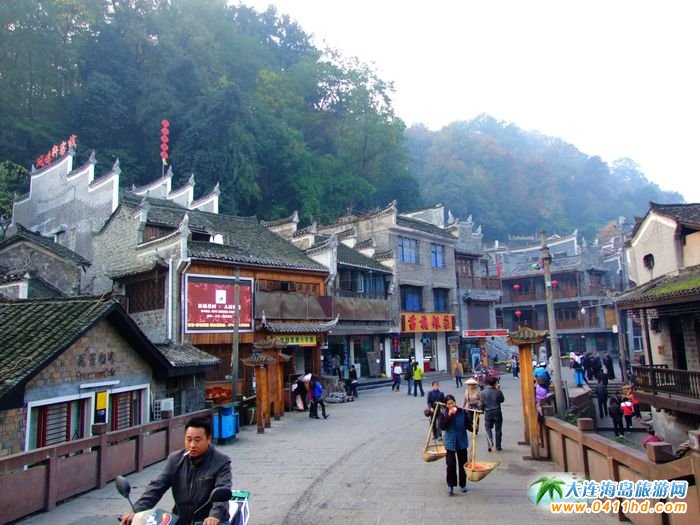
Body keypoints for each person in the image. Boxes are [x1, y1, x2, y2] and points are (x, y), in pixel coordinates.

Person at [120, 417, 231, 525]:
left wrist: (214, 516)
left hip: (210, 521)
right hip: (181, 519)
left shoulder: (221, 462)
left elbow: (222, 489)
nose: (192, 445)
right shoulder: (175, 460)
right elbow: (156, 487)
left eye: (197, 440)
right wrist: (136, 511)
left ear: (209, 439)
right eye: (189, 439)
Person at [439, 394, 470, 496]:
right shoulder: (443, 413)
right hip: (450, 442)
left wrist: (474, 425)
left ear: (455, 402)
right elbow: (442, 426)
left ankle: (463, 483)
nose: (451, 405)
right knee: (451, 464)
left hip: (461, 440)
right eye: (448, 404)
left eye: (452, 403)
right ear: (446, 405)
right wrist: (450, 415)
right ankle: (451, 485)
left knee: (463, 463)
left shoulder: (462, 412)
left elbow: (468, 424)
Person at [480, 376, 505, 451]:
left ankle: (490, 441)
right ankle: (498, 446)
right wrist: (498, 390)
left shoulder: (483, 392)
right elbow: (502, 400)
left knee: (488, 428)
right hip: (497, 411)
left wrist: (481, 410)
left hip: (488, 412)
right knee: (498, 429)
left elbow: (481, 403)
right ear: (495, 383)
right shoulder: (498, 391)